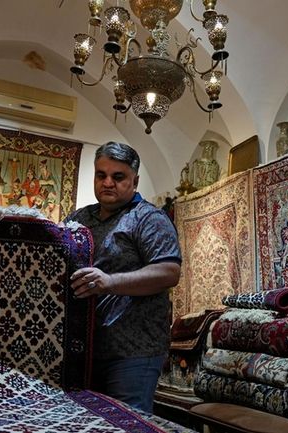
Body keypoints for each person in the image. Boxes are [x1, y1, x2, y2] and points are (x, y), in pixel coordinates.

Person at [66, 141, 181, 414]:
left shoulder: (149, 218)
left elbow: (169, 271)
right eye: (101, 175)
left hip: (134, 352)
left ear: (135, 180)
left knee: (127, 421)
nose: (108, 182)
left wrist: (109, 282)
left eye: (118, 177)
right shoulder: (79, 219)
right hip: (84, 348)